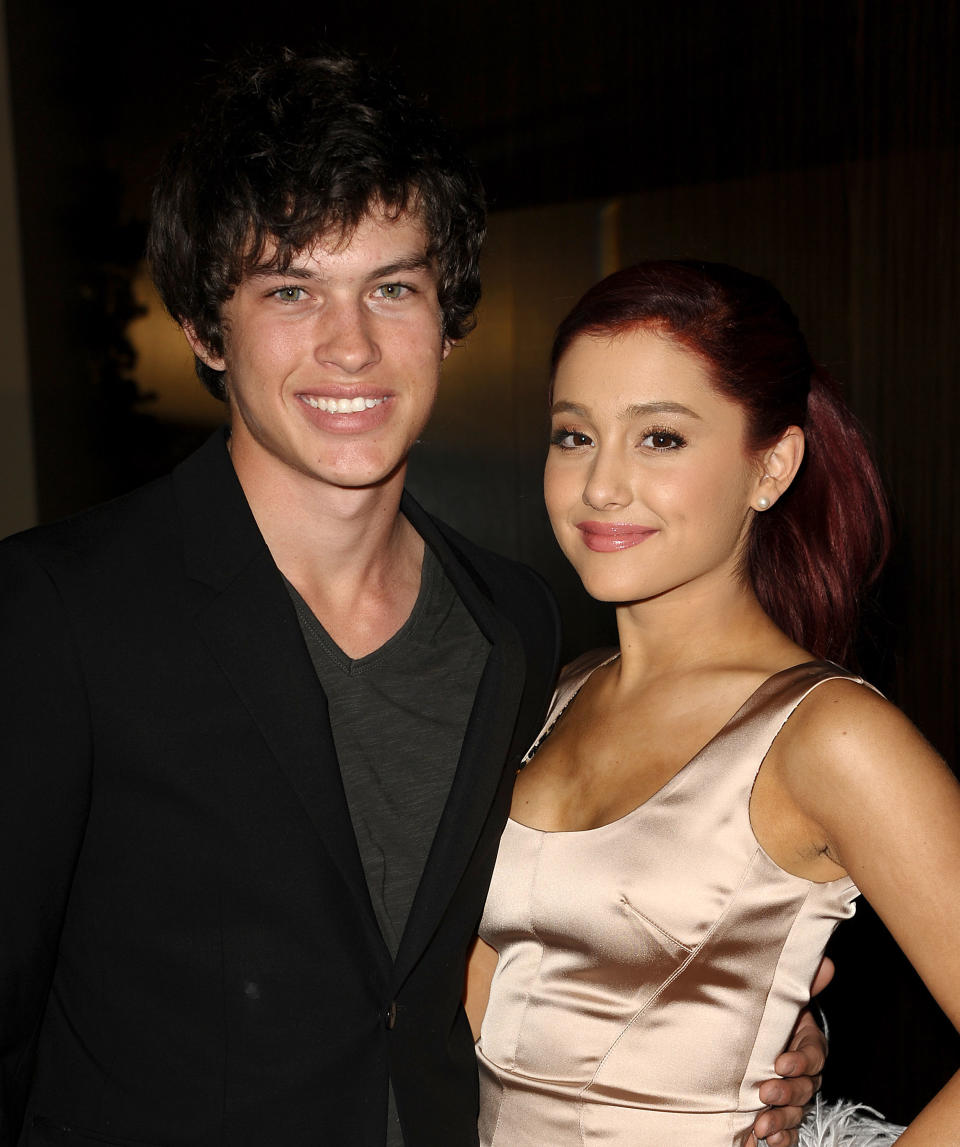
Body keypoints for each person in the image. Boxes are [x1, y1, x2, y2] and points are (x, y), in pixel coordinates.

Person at [0, 50, 821, 1147]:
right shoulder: (58, 610)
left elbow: (540, 936)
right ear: (207, 328)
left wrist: (756, 1027)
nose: (352, 345)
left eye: (393, 287)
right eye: (291, 290)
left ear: (448, 317)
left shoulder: (517, 622)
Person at [466, 261, 960, 1145]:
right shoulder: (550, 693)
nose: (601, 486)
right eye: (574, 435)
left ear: (771, 466)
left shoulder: (831, 734)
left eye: (660, 438)